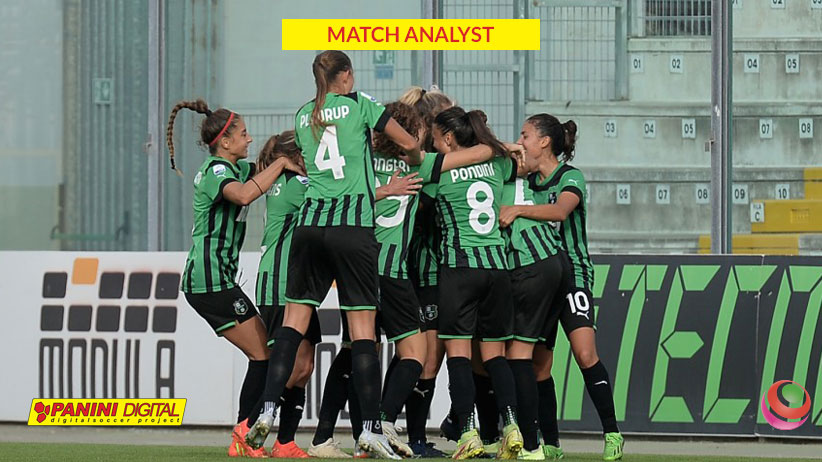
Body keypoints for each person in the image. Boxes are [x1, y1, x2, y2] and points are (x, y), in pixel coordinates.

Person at [246, 50, 420, 460]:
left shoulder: (303, 114)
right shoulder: (361, 104)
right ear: (346, 75)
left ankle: (268, 408)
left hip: (310, 226)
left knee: (293, 323)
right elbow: (408, 142)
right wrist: (413, 158)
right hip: (352, 227)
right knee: (363, 332)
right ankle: (370, 430)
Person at [167, 99, 303, 458]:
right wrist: (281, 163)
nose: (249, 139)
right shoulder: (215, 171)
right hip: (208, 280)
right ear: (224, 142)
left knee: (264, 356)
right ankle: (243, 434)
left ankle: (246, 434)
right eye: (243, 134)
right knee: (264, 356)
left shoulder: (237, 168)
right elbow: (243, 195)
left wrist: (286, 155)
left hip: (219, 279)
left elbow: (260, 173)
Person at [499, 114, 624, 461]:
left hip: (573, 276)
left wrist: (518, 210)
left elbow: (560, 212)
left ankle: (612, 433)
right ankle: (551, 443)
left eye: (525, 135)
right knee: (540, 365)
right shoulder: (526, 182)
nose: (520, 141)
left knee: (585, 353)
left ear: (544, 142)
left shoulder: (570, 177)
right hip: (541, 279)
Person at [431, 106, 523, 460]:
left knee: (458, 355)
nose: (432, 145)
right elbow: (521, 164)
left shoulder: (438, 170)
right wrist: (502, 146)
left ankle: (468, 433)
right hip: (497, 268)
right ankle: (511, 427)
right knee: (495, 356)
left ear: (449, 139)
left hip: (460, 267)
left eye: (436, 139)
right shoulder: (498, 164)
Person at [252, 131, 318, 458]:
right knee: (291, 366)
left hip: (293, 286)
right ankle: (248, 425)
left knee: (303, 367)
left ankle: (285, 442)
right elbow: (336, 200)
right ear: (298, 155)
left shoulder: (287, 183)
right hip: (282, 285)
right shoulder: (296, 185)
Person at [397, 86, 455, 458]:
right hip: (424, 271)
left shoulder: (427, 162)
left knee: (430, 355)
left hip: (441, 272)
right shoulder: (427, 167)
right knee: (426, 358)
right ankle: (413, 437)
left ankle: (452, 423)